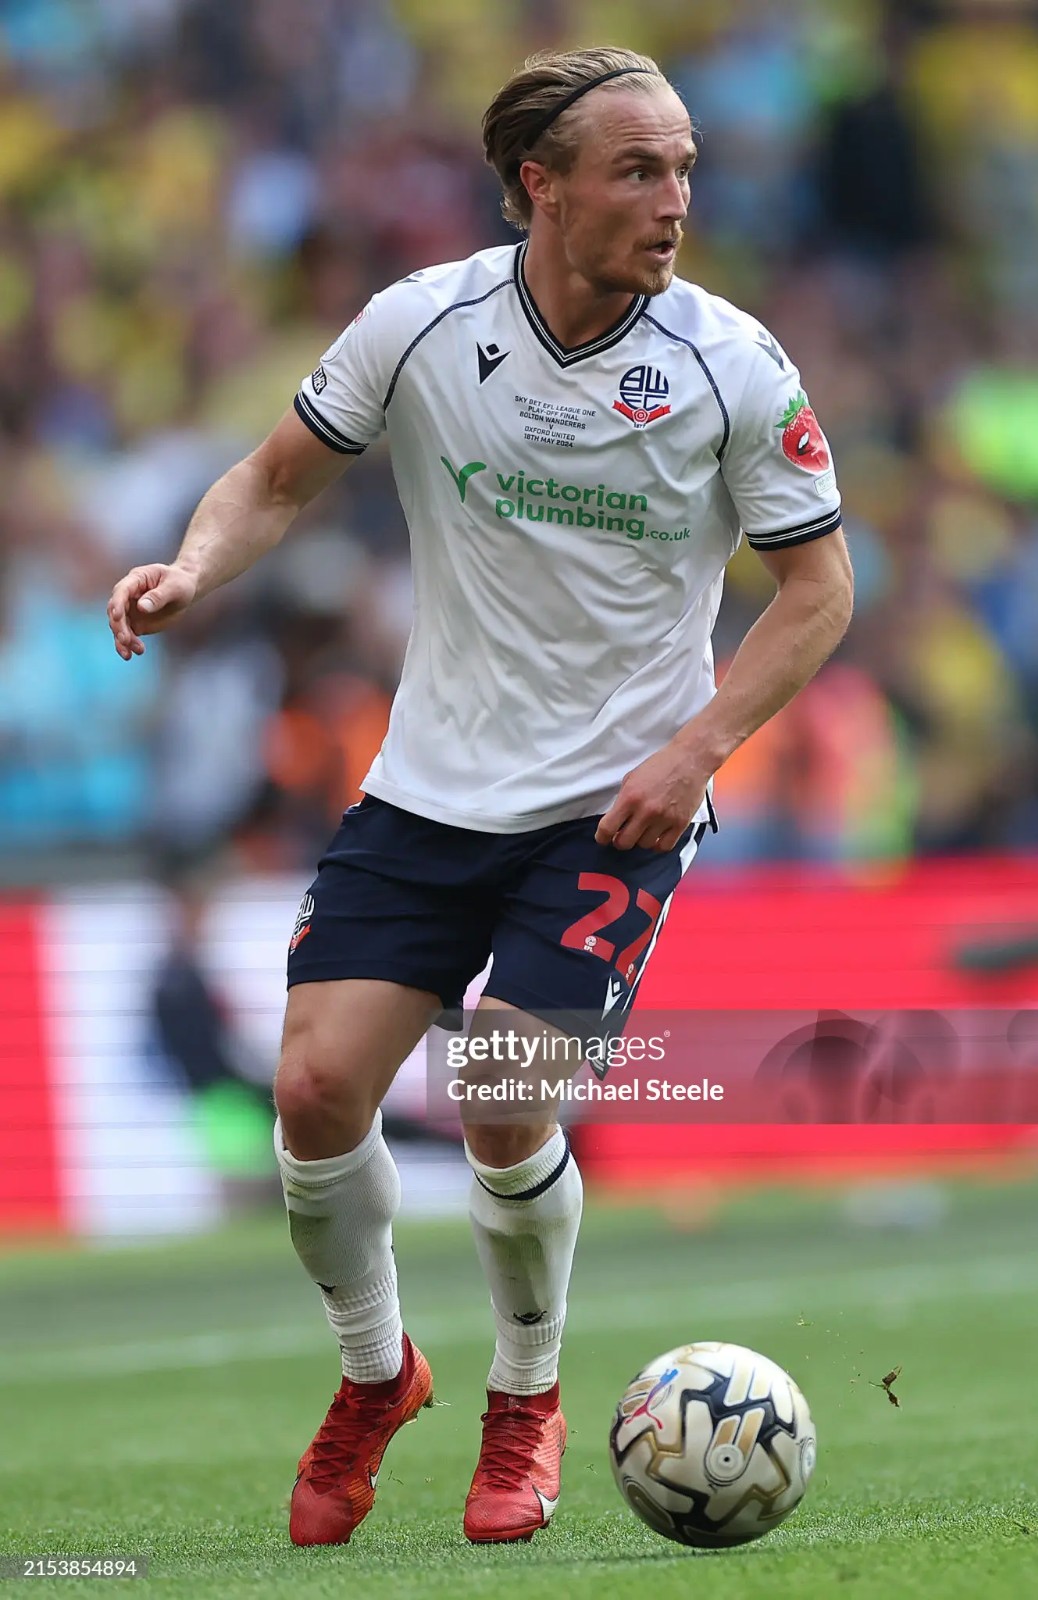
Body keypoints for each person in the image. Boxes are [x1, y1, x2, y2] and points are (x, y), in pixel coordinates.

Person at [106, 45, 854, 1548]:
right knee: (314, 1096)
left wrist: (697, 748)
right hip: (430, 787)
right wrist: (193, 563)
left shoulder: (735, 366)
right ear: (542, 185)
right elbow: (273, 478)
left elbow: (818, 593)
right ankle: (378, 1377)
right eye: (639, 171)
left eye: (686, 168)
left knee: (507, 1090)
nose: (674, 201)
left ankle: (527, 1397)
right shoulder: (425, 324)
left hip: (617, 804)